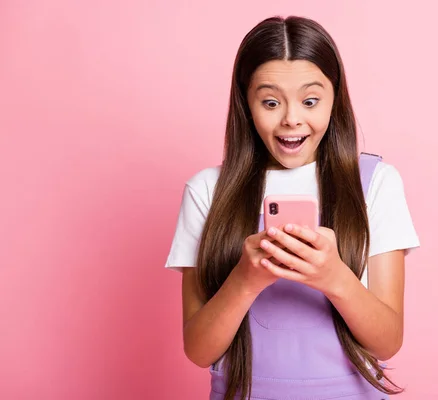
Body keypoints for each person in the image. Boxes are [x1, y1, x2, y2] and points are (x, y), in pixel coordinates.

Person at [164, 15, 420, 400]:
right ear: (245, 104)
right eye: (270, 102)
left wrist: (333, 276)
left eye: (311, 100)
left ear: (335, 99)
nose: (292, 119)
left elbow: (387, 342)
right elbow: (199, 350)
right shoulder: (207, 191)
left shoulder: (376, 183)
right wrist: (245, 280)